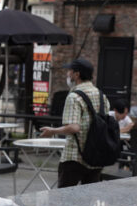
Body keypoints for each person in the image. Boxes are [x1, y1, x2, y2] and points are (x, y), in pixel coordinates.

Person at [39, 57, 111, 188]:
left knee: (63, 197)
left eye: (69, 71)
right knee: (88, 197)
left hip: (75, 157)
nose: (68, 74)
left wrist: (52, 131)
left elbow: (73, 127)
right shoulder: (102, 96)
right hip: (96, 156)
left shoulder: (74, 96)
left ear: (76, 74)